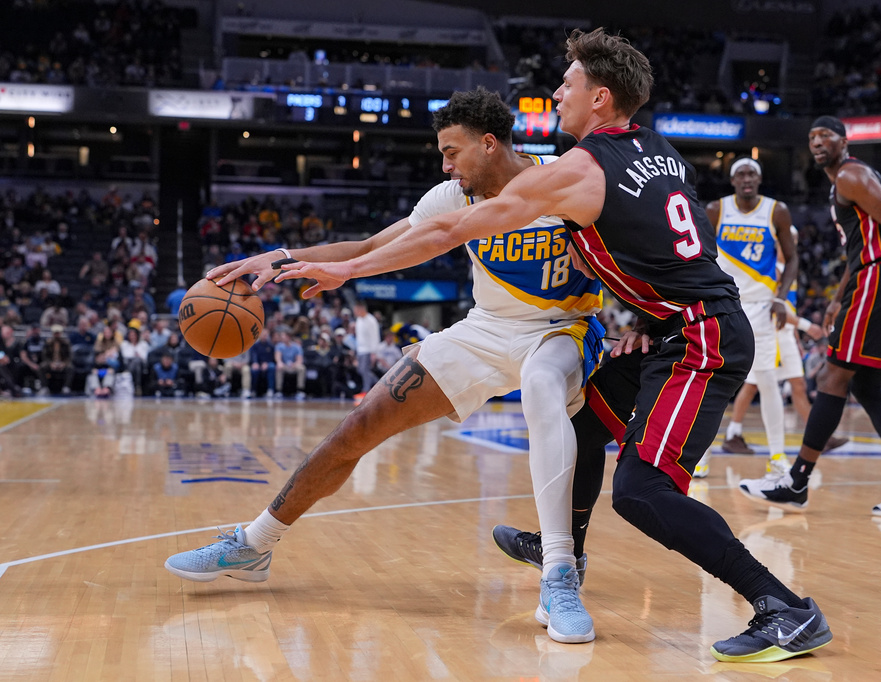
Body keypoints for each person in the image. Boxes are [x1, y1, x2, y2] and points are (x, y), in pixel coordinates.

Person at [261, 29, 833, 662]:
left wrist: (344, 271)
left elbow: (454, 227)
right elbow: (681, 238)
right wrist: (645, 313)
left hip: (700, 338)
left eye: (570, 82)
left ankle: (783, 607)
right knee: (581, 418)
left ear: (600, 98)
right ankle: (563, 551)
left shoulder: (579, 169)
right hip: (677, 325)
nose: (558, 91)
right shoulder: (660, 152)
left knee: (642, 492)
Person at [165, 87, 605, 644]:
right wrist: (281, 258)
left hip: (562, 330)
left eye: (452, 151)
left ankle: (560, 573)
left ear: (489, 143)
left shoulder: (560, 178)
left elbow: (632, 246)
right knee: (359, 426)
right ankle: (253, 545)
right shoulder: (451, 197)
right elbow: (373, 243)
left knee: (541, 386)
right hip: (485, 330)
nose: (444, 165)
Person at [738, 116, 881, 518]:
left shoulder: (852, 174)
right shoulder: (846, 182)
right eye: (812, 137)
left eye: (826, 136)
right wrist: (837, 299)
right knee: (867, 386)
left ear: (844, 142)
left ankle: (797, 481)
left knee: (830, 378)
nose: (817, 143)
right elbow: (857, 250)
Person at [720, 224, 846, 462]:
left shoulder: (789, 268)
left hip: (786, 334)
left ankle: (818, 436)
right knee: (754, 383)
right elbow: (773, 310)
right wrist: (808, 327)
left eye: (795, 240)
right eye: (788, 239)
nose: (792, 244)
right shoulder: (769, 270)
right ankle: (733, 433)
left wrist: (796, 337)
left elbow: (787, 308)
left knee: (797, 384)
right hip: (771, 333)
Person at [707, 158, 798, 475]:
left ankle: (777, 457)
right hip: (726, 304)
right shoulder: (717, 210)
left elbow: (794, 258)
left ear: (759, 180)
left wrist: (781, 298)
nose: (747, 178)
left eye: (752, 174)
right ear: (732, 181)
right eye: (741, 174)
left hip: (761, 307)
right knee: (714, 381)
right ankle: (700, 459)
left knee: (768, 380)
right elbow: (701, 255)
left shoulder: (776, 211)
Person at [352, 302, 380, 395]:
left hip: (368, 350)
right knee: (361, 370)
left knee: (365, 370)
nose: (354, 312)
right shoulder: (359, 320)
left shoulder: (371, 320)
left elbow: (374, 336)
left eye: (356, 310)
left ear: (361, 309)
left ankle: (366, 390)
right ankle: (378, 384)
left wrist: (373, 352)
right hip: (360, 349)